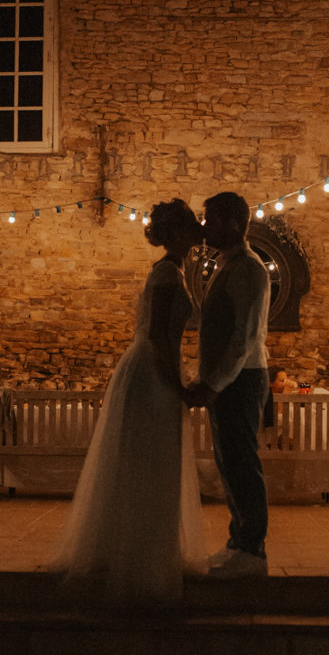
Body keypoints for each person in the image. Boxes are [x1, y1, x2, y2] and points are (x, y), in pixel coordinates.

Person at [55, 198, 207, 609]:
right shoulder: (166, 275)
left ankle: (148, 550)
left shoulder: (174, 271)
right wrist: (178, 386)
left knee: (154, 461)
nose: (199, 231)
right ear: (176, 234)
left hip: (155, 368)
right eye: (192, 226)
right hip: (153, 374)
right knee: (150, 461)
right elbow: (158, 335)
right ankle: (141, 561)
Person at [185, 191, 271, 578]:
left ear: (233, 224)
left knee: (241, 463)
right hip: (229, 380)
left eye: (210, 220)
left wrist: (213, 384)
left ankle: (252, 548)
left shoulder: (250, 269)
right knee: (228, 461)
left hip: (241, 378)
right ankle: (238, 540)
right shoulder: (226, 264)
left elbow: (245, 338)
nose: (204, 227)